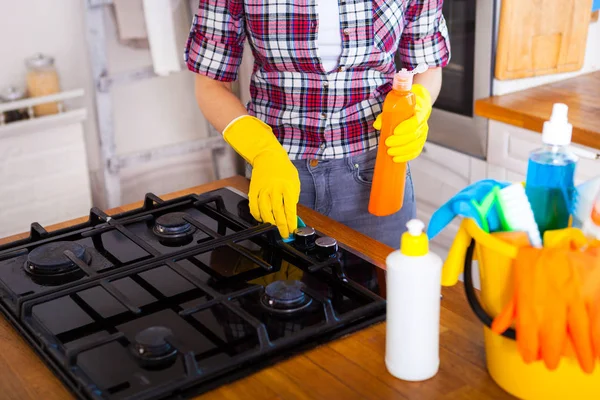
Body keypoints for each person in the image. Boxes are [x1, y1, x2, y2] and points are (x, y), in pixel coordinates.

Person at [186, 0, 450, 249]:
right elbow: (211, 85)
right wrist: (263, 151)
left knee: (387, 294)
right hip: (278, 177)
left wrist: (419, 106)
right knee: (281, 291)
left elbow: (427, 66)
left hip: (379, 173)